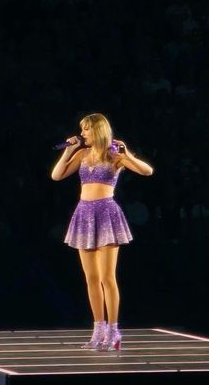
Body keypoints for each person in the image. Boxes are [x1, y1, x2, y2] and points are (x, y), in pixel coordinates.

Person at [51, 113, 153, 351]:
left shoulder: (114, 155)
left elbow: (147, 171)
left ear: (97, 130)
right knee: (91, 279)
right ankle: (98, 329)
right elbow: (56, 176)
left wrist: (126, 155)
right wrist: (68, 150)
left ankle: (113, 330)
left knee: (108, 277)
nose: (82, 134)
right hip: (84, 214)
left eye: (85, 130)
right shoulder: (81, 154)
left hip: (106, 214)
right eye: (82, 130)